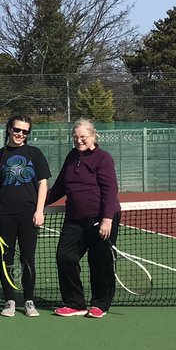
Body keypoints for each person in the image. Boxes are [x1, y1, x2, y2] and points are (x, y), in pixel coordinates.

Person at [46, 119, 121, 318]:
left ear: (93, 136)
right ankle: (75, 303)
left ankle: (100, 304)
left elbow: (110, 190)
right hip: (74, 219)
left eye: (83, 137)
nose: (79, 140)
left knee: (100, 262)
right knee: (65, 257)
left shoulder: (103, 158)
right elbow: (60, 187)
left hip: (100, 218)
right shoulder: (72, 156)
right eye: (75, 137)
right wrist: (37, 204)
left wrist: (107, 219)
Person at [0, 115, 50, 318]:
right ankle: (10, 301)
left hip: (28, 215)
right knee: (6, 259)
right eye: (17, 130)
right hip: (4, 215)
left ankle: (29, 301)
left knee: (27, 258)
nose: (20, 134)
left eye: (24, 131)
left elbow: (42, 184)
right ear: (9, 129)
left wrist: (39, 210)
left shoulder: (35, 154)